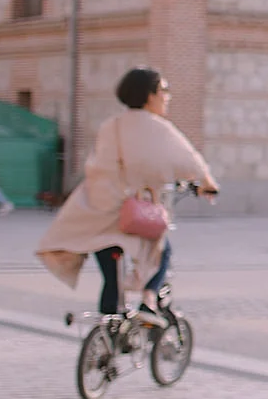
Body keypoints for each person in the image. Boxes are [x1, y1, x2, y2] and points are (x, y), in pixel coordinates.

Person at [35, 67, 217, 317]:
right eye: (164, 90)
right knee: (161, 252)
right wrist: (207, 182)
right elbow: (188, 159)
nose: (167, 96)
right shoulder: (159, 127)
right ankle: (149, 301)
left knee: (112, 278)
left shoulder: (112, 125)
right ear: (150, 95)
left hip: (100, 213)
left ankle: (106, 340)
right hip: (135, 217)